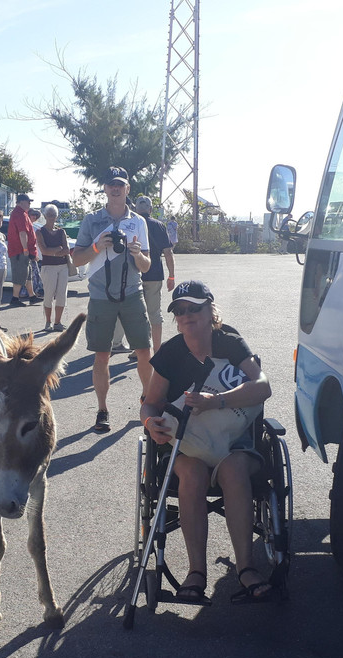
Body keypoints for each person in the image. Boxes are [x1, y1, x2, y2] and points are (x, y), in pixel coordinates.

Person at [139, 280, 276, 605]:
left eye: (194, 308)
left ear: (210, 310)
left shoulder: (228, 341)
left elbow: (262, 386)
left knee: (234, 471)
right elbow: (150, 402)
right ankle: (195, 573)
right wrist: (150, 422)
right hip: (189, 444)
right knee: (193, 474)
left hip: (233, 440)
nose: (186, 315)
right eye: (180, 310)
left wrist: (217, 401)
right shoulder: (171, 352)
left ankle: (245, 569)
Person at [70, 166, 153, 434]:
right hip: (100, 296)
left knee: (144, 351)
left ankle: (147, 401)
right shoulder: (92, 220)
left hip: (131, 293)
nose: (115, 189)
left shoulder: (138, 222)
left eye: (120, 184)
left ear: (127, 189)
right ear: (105, 189)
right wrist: (97, 246)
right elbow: (76, 260)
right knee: (102, 356)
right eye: (111, 185)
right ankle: (102, 409)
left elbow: (147, 266)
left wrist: (137, 254)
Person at [117, 195, 174, 356]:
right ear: (150, 209)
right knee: (155, 313)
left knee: (137, 314)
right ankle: (156, 350)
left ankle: (138, 349)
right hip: (155, 274)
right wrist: (172, 276)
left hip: (133, 275)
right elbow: (168, 253)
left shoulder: (130, 224)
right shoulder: (159, 226)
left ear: (136, 209)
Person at [37, 204, 70, 332]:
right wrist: (58, 250)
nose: (51, 217)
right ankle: (48, 322)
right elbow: (44, 251)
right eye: (49, 215)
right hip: (48, 267)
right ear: (45, 216)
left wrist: (55, 251)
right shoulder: (40, 232)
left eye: (53, 215)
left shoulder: (61, 231)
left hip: (62, 267)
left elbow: (67, 250)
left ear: (56, 216)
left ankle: (58, 322)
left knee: (62, 295)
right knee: (48, 295)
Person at [7, 193, 39, 305]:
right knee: (20, 274)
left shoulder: (22, 214)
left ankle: (32, 296)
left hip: (23, 251)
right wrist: (25, 249)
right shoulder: (19, 214)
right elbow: (22, 233)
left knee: (27, 274)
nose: (29, 203)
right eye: (27, 201)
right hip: (19, 251)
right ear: (20, 202)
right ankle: (15, 298)